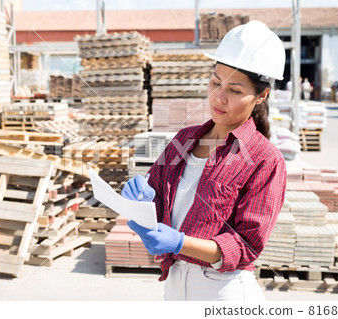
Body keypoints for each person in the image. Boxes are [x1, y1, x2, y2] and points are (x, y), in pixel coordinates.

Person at [121, 20, 287, 301]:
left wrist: (180, 242)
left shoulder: (265, 160)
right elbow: (159, 199)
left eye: (235, 90)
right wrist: (143, 202)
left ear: (261, 96)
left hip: (223, 290)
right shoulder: (185, 140)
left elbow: (246, 245)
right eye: (215, 82)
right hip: (175, 282)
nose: (219, 98)